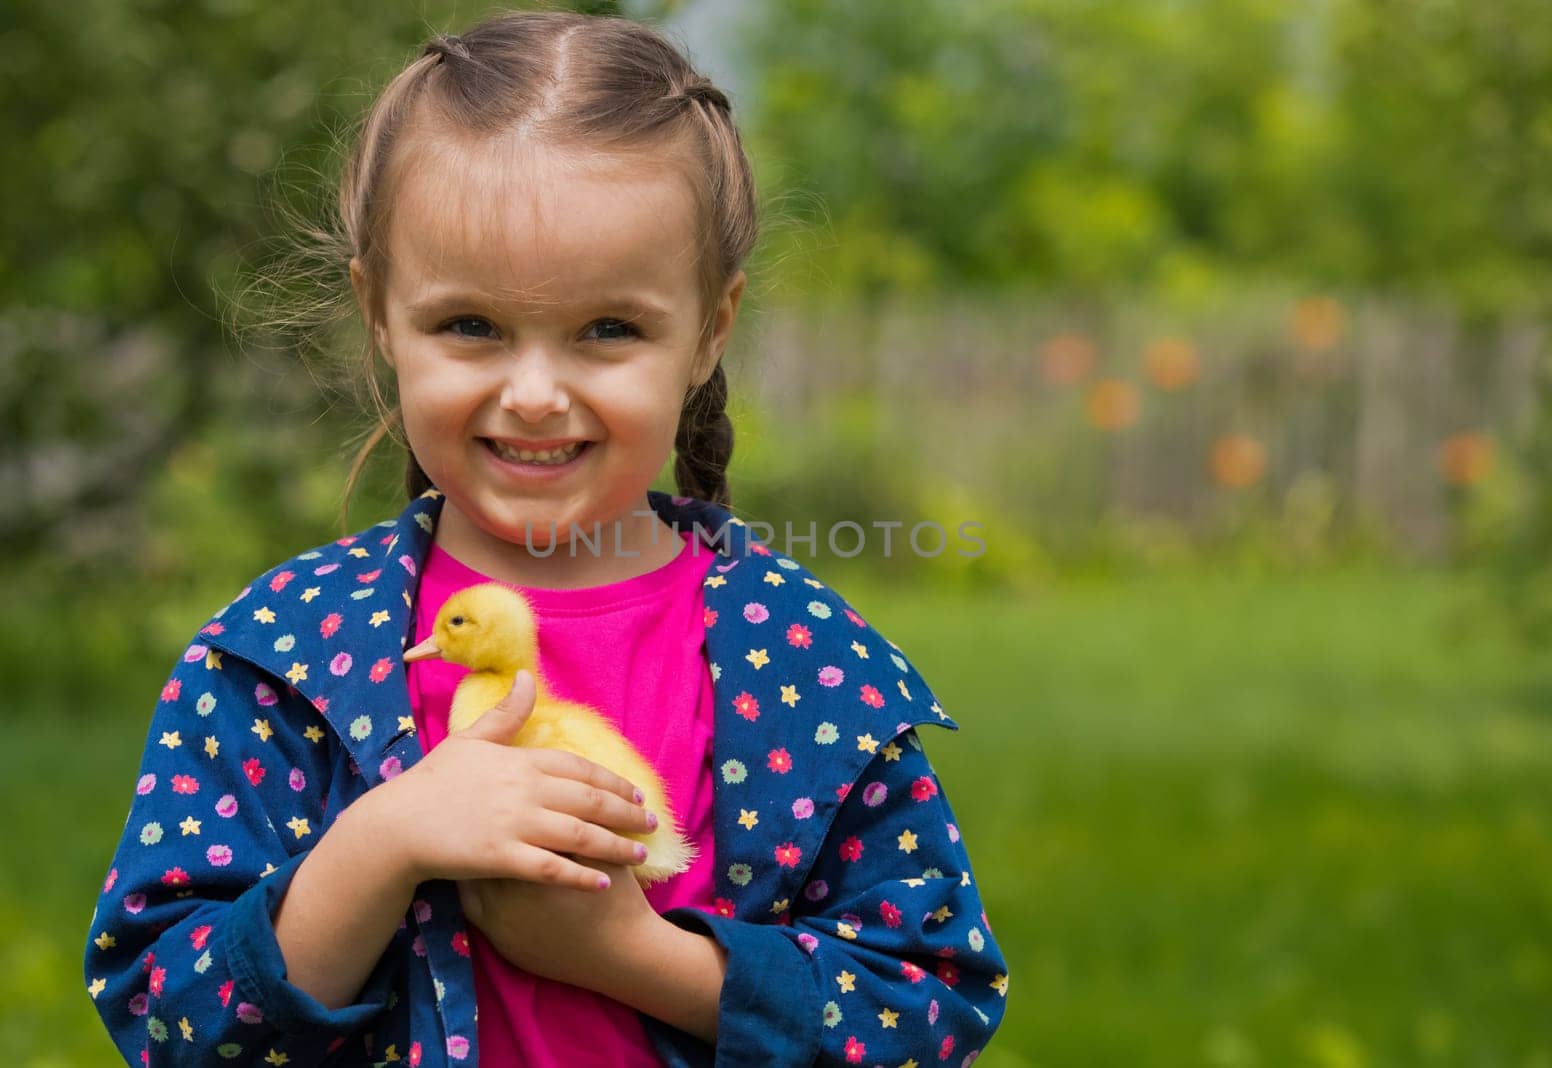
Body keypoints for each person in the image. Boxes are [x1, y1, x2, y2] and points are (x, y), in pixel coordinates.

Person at [83, 10, 1008, 1066]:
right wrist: (380, 846)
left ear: (709, 330)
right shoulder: (282, 656)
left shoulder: (799, 657)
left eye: (608, 330)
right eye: (470, 326)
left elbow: (927, 1005)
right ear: (379, 314)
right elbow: (168, 1014)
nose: (532, 394)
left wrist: (628, 955)